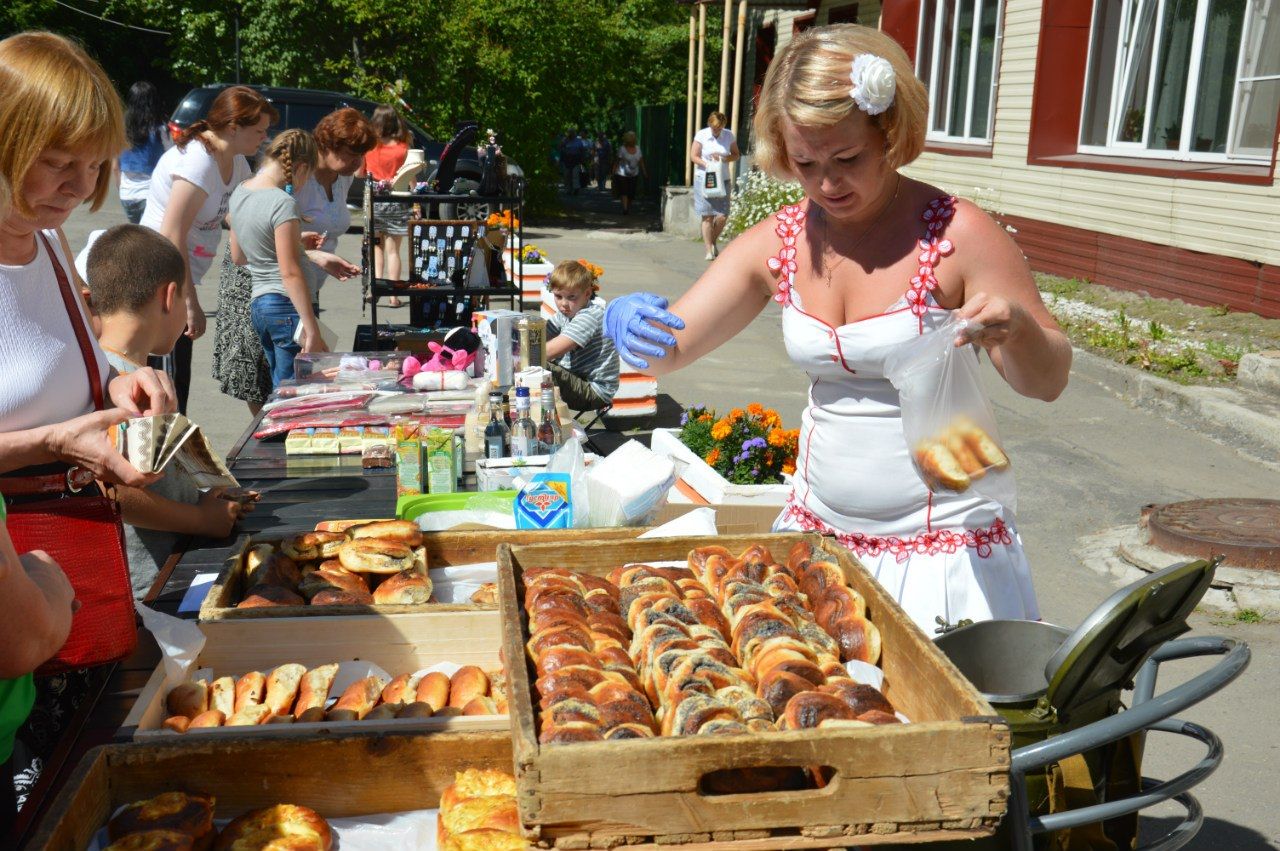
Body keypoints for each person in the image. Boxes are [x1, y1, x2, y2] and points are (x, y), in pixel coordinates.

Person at [602, 24, 1071, 633]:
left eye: (847, 159)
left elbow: (1047, 382)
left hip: (941, 555)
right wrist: (626, 322)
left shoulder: (958, 235)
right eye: (805, 164)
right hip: (818, 541)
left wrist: (1019, 332)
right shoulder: (781, 239)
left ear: (889, 133)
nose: (827, 184)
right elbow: (670, 349)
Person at [0, 30, 175, 821]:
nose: (79, 187)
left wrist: (119, 378)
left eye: (97, 165)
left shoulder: (47, 237)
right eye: (56, 162)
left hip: (76, 575)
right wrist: (50, 443)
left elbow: (69, 359)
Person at [86, 225, 252, 597]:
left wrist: (212, 497)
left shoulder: (114, 370)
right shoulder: (125, 386)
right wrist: (201, 519)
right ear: (170, 295)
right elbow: (112, 491)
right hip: (150, 586)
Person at [141, 85, 276, 414]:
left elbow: (236, 214)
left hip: (176, 280)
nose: (264, 138)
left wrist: (289, 238)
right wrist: (190, 303)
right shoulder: (198, 162)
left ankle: (170, 445)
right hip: (157, 281)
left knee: (177, 385)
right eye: (259, 131)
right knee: (166, 391)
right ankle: (162, 446)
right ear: (233, 127)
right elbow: (172, 234)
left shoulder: (236, 161)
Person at [229, 129, 327, 389]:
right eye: (308, 176)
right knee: (292, 392)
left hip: (260, 304)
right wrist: (312, 328)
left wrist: (294, 242)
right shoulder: (282, 202)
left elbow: (239, 255)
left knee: (280, 385)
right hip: (286, 306)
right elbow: (289, 272)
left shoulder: (240, 192)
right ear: (301, 167)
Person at [296, 108, 374, 309]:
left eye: (362, 155)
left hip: (309, 288)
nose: (358, 162)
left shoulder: (343, 178)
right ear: (326, 145)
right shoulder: (297, 174)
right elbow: (264, 236)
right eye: (351, 154)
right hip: (281, 290)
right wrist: (313, 256)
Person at [545, 259, 620, 412]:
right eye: (558, 296)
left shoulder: (589, 316)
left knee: (535, 367)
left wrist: (515, 355)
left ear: (587, 294)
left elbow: (547, 352)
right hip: (578, 379)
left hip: (594, 391)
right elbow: (540, 335)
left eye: (571, 297)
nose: (563, 304)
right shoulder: (566, 313)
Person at [364, 105, 410, 308]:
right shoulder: (402, 147)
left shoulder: (369, 146)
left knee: (376, 247)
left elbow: (359, 173)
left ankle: (375, 290)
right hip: (397, 197)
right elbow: (410, 176)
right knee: (394, 250)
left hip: (373, 197)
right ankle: (393, 296)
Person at [116, 81, 171, 224]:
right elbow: (171, 158)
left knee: (138, 233)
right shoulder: (159, 128)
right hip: (151, 194)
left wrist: (121, 189)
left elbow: (115, 166)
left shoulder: (121, 128)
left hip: (127, 195)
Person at [691, 111, 740, 260]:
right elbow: (693, 156)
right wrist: (707, 164)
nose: (716, 130)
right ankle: (708, 250)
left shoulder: (729, 135)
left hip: (723, 178)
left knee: (722, 216)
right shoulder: (702, 135)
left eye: (719, 128)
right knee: (707, 216)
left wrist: (723, 159)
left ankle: (712, 241)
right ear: (709, 124)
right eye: (714, 127)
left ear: (723, 126)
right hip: (704, 178)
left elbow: (736, 154)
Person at [613, 131, 646, 216]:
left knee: (631, 193)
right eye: (632, 140)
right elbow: (617, 161)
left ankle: (627, 206)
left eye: (634, 139)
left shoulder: (638, 149)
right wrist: (613, 171)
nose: (633, 141)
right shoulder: (622, 149)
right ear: (628, 141)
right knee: (624, 191)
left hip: (634, 174)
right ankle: (625, 209)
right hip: (622, 174)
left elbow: (641, 161)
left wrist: (644, 172)